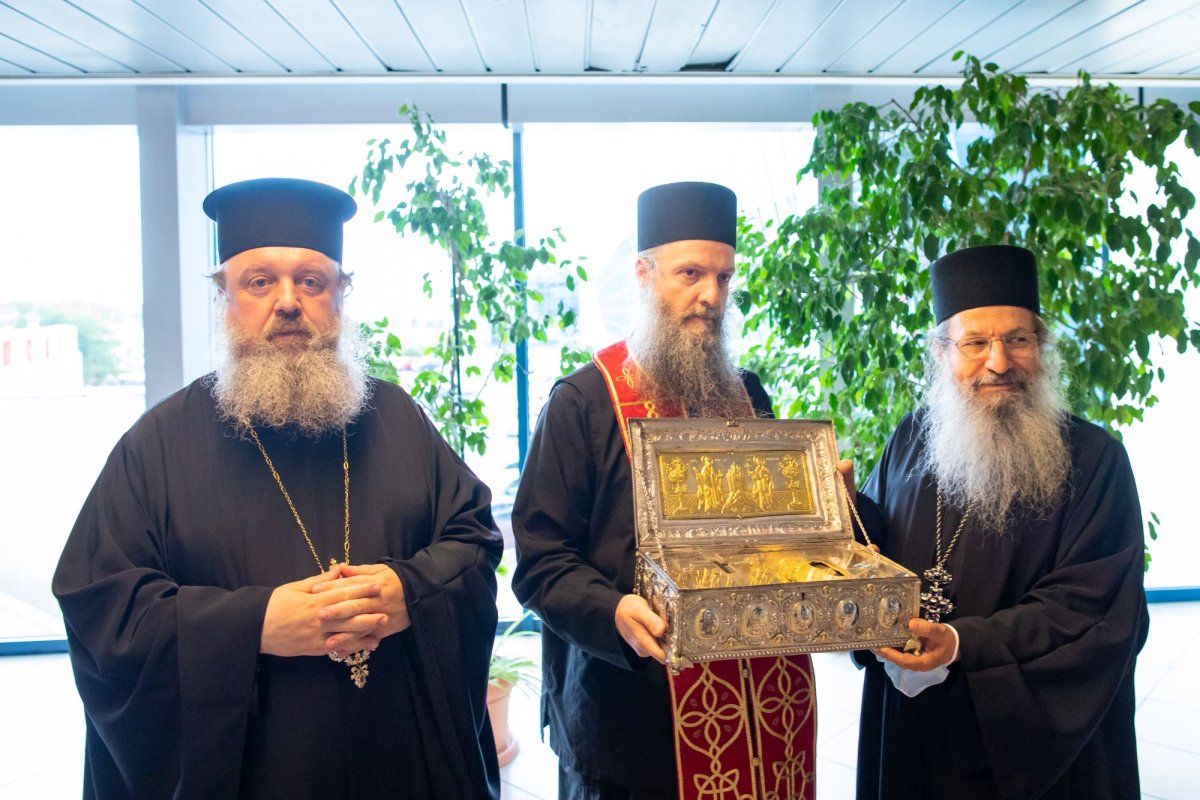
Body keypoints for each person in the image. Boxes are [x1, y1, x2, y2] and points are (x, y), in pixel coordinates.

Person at [53, 178, 503, 800]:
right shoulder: (157, 444)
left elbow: (473, 541)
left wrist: (410, 592)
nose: (288, 302)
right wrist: (255, 624)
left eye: (311, 282)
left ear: (340, 296)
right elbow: (104, 608)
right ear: (226, 297)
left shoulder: (397, 417)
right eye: (260, 282)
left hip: (395, 760)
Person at [512, 181, 817, 800]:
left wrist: (818, 507)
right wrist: (612, 612)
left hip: (757, 701)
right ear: (644, 275)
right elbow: (541, 560)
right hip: (628, 714)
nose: (712, 296)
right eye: (691, 274)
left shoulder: (748, 394)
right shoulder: (582, 402)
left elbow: (772, 532)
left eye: (724, 277)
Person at [854, 244, 1149, 800]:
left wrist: (960, 644)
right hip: (915, 728)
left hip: (1029, 752)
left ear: (1042, 346)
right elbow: (876, 544)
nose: (998, 362)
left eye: (1018, 340)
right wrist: (840, 509)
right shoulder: (912, 437)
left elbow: (1093, 612)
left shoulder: (1095, 459)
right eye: (975, 343)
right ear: (942, 352)